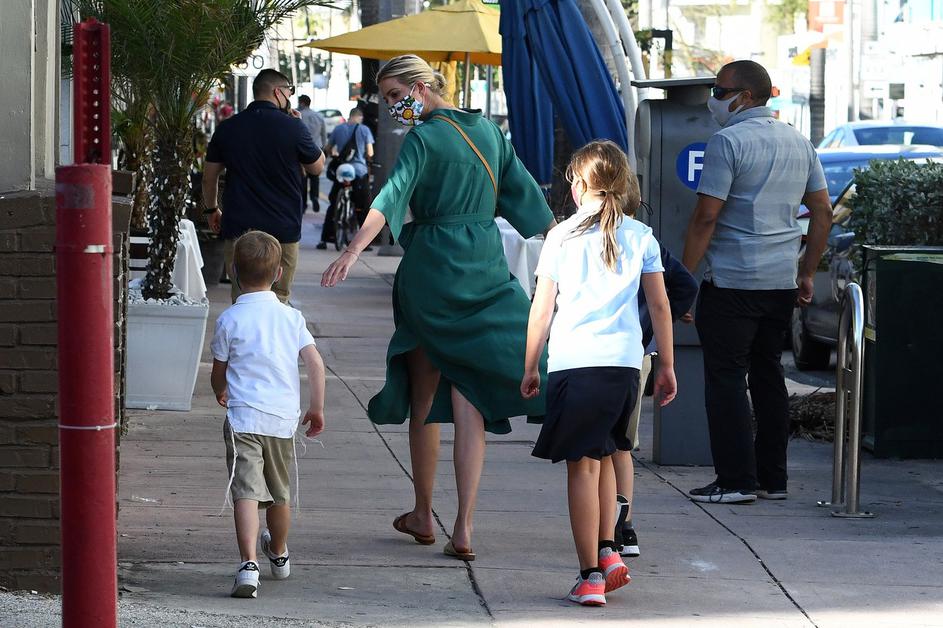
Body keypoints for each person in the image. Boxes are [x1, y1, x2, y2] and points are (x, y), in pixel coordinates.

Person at [321, 55, 554, 559]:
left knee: (424, 394)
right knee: (469, 394)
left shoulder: (423, 139)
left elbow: (390, 197)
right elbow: (529, 203)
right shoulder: (489, 133)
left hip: (431, 268)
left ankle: (424, 512)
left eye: (394, 96)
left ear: (421, 87)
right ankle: (463, 528)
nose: (391, 107)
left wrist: (353, 250)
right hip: (484, 265)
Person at [521, 140, 677, 607]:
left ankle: (589, 576)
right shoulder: (641, 235)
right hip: (625, 365)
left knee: (583, 468)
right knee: (609, 453)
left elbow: (542, 309)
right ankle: (608, 550)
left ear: (577, 186)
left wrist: (530, 365)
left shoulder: (561, 237)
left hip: (576, 363)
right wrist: (667, 364)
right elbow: (660, 306)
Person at [681, 60, 832, 504]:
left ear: (745, 96)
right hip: (780, 282)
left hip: (732, 281)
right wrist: (806, 271)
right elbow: (822, 212)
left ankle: (734, 480)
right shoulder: (799, 141)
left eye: (719, 90)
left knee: (726, 379)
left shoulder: (727, 142)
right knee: (768, 377)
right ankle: (772, 479)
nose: (713, 98)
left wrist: (683, 282)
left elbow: (706, 216)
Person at [209, 231, 327, 599]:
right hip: (281, 420)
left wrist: (220, 389)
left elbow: (218, 370)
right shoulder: (291, 318)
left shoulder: (230, 319)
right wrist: (316, 407)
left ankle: (248, 565)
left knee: (245, 492)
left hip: (243, 419)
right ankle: (278, 552)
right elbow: (315, 363)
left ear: (233, 271)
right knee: (279, 493)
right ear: (278, 274)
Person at [203, 68, 325, 304]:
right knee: (279, 300)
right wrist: (300, 128)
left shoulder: (228, 128)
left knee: (242, 298)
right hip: (283, 228)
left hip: (239, 227)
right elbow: (317, 167)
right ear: (278, 92)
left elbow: (209, 177)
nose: (290, 97)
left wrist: (211, 210)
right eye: (289, 91)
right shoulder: (293, 127)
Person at [612, 244, 698, 557]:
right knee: (621, 446)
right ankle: (624, 527)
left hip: (588, 356)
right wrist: (655, 324)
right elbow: (685, 286)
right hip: (637, 352)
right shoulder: (644, 241)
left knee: (595, 452)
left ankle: (609, 527)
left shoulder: (576, 237)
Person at [316, 107, 375, 250]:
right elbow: (370, 152)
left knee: (333, 203)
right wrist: (368, 161)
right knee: (363, 205)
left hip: (341, 169)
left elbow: (328, 148)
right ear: (359, 117)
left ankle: (326, 238)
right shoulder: (364, 130)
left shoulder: (338, 129)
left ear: (350, 116)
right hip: (359, 171)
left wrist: (334, 155)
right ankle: (364, 242)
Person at [297, 95, 327, 213]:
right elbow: (324, 135)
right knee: (315, 177)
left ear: (302, 103)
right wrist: (323, 149)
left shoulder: (297, 115)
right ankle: (314, 197)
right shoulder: (319, 116)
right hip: (316, 150)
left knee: (303, 179)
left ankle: (303, 204)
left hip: (301, 151)